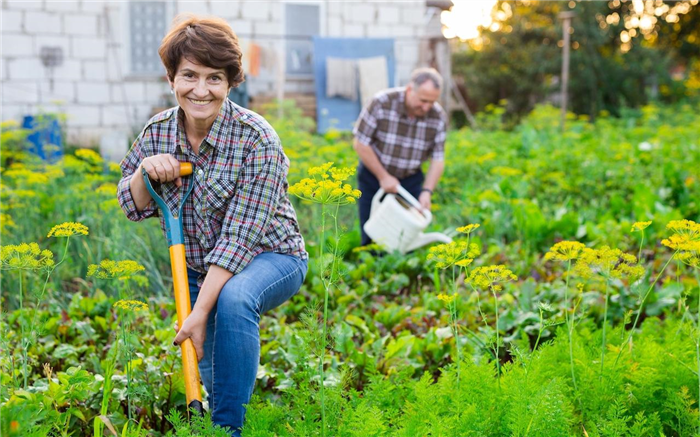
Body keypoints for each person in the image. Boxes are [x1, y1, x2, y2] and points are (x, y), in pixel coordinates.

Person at [116, 15, 308, 436]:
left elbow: (241, 238)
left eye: (214, 78)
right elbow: (131, 204)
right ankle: (222, 419)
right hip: (200, 272)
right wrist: (144, 171)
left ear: (230, 82)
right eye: (189, 76)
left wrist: (198, 311)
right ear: (172, 78)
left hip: (273, 255)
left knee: (235, 299)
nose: (200, 90)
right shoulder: (157, 132)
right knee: (217, 375)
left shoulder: (257, 138)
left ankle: (228, 431)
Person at [352, 68, 447, 246]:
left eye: (432, 102)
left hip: (409, 179)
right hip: (374, 175)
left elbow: (438, 159)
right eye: (423, 100)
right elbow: (360, 143)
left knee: (406, 234)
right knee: (372, 234)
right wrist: (383, 176)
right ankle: (370, 266)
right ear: (410, 90)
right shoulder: (382, 102)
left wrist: (427, 191)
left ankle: (401, 266)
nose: (427, 107)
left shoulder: (438, 116)